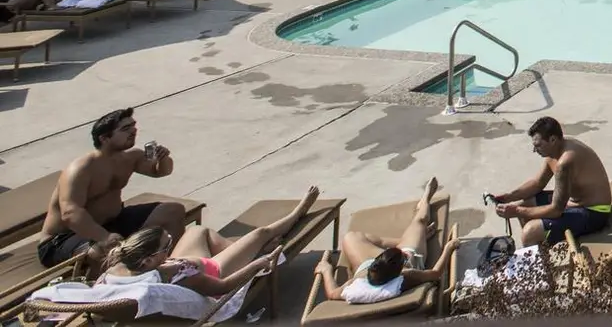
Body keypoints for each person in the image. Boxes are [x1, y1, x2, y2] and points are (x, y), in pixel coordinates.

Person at [93, 187, 317, 294]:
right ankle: (296, 214)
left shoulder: (117, 271)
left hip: (188, 261)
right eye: (166, 246)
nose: (170, 246)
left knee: (197, 232)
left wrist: (171, 258)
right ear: (149, 260)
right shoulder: (182, 278)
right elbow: (223, 288)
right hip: (214, 269)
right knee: (259, 234)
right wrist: (256, 265)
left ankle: (242, 247)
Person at [39, 108, 187, 269]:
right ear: (104, 138)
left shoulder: (131, 157)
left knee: (173, 211)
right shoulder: (81, 168)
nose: (133, 131)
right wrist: (104, 236)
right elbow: (70, 213)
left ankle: (172, 269)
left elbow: (160, 172)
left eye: (133, 126)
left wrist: (163, 159)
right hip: (64, 239)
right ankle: (118, 286)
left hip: (112, 223)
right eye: (125, 129)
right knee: (103, 251)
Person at [316, 178, 447, 305]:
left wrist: (326, 270)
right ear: (400, 271)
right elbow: (435, 274)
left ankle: (407, 239)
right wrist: (449, 247)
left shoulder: (353, 288)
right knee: (421, 220)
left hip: (367, 268)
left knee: (351, 237)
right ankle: (425, 200)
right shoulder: (406, 277)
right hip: (397, 260)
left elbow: (332, 293)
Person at [489, 118, 612, 247]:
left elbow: (556, 210)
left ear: (553, 140)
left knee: (530, 232)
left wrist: (516, 211)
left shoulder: (565, 163)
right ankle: (540, 247)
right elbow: (538, 183)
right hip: (574, 202)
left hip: (594, 212)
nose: (534, 150)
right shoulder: (558, 147)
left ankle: (537, 256)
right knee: (527, 203)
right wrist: (509, 197)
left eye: (538, 145)